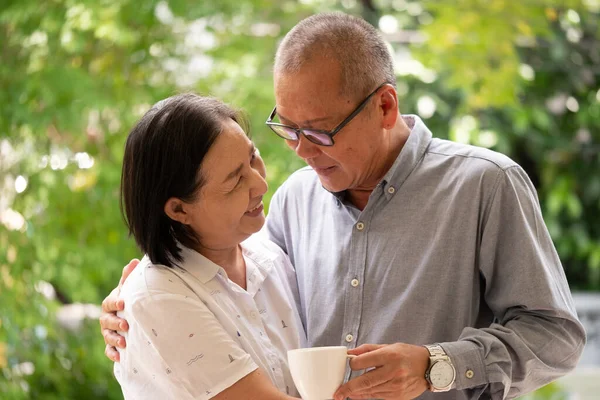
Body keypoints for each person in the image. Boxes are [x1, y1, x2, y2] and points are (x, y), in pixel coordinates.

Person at [101, 13, 586, 400]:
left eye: (318, 131)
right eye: (287, 129)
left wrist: (435, 365)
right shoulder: (293, 200)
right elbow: (225, 285)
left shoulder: (485, 186)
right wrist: (134, 307)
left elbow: (557, 338)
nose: (301, 151)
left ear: (385, 107)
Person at [111, 93, 306, 399]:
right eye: (234, 180)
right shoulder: (158, 295)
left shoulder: (270, 257)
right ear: (179, 210)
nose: (260, 184)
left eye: (253, 158)